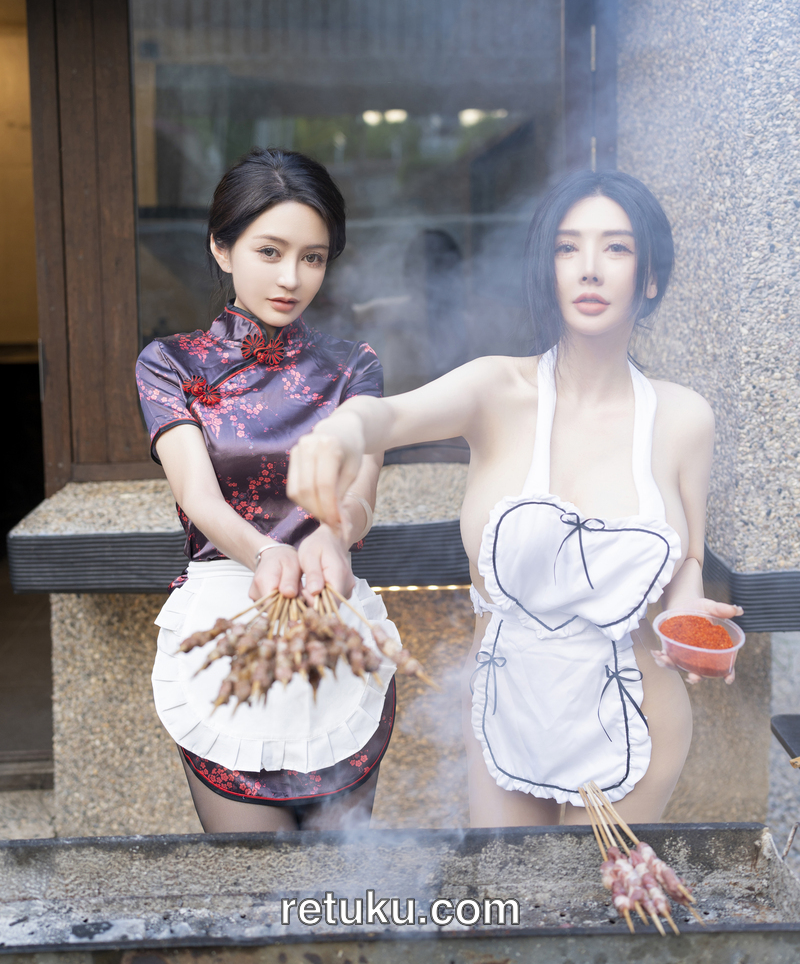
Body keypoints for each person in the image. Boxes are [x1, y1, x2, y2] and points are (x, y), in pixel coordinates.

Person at [284, 170, 743, 826]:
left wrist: (688, 607)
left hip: (639, 716)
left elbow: (688, 555)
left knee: (606, 893)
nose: (589, 268)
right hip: (505, 711)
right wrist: (337, 434)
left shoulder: (684, 417)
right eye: (567, 247)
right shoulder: (494, 390)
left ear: (649, 277)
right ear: (547, 271)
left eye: (616, 247)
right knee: (510, 889)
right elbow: (385, 417)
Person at [135, 148, 398, 833]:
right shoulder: (171, 363)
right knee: (253, 883)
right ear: (222, 248)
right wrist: (265, 553)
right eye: (270, 251)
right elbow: (197, 494)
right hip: (226, 613)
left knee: (344, 876)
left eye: (313, 258)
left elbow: (362, 491)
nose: (291, 278)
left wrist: (333, 537)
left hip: (332, 615)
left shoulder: (354, 366)